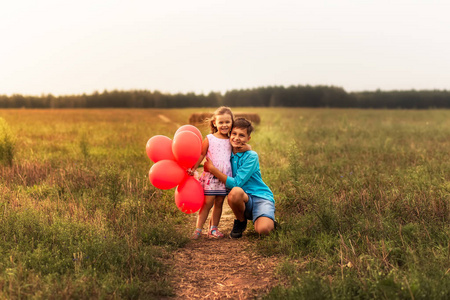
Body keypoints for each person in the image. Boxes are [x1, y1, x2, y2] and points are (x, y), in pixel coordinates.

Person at [204, 118, 275, 238]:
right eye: (234, 134)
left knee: (263, 230)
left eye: (242, 135)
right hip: (242, 198)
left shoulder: (251, 156)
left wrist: (212, 169)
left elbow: (236, 182)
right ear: (229, 135)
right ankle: (241, 221)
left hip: (260, 197)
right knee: (235, 193)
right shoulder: (226, 153)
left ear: (248, 139)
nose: (237, 138)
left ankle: (266, 218)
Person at [189, 106, 235, 239]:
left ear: (232, 122)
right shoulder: (210, 138)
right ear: (215, 123)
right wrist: (193, 168)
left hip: (225, 176)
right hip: (211, 177)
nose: (224, 125)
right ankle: (198, 229)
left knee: (219, 203)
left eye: (227, 122)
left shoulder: (231, 139)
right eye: (221, 122)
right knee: (207, 203)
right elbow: (202, 154)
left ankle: (213, 229)